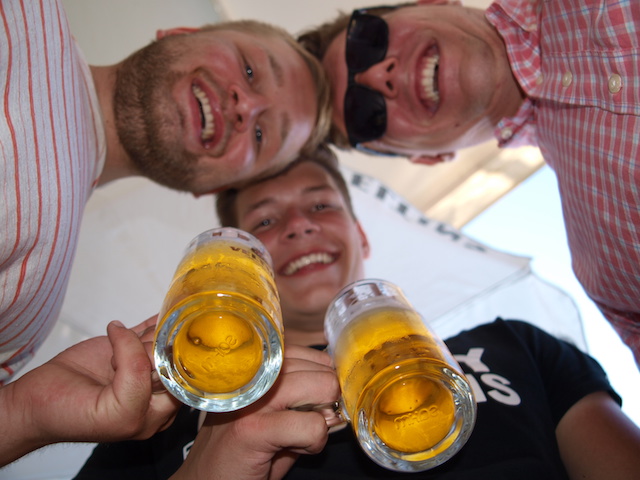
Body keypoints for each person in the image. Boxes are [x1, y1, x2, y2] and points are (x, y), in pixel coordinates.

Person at [75, 145, 640, 479]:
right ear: (247, 263)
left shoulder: (518, 344)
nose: (299, 225)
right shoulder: (158, 410)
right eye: (266, 221)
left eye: (321, 205)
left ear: (361, 234)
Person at [0, 0, 330, 466]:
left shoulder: (31, 305)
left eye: (261, 136)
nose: (246, 106)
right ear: (179, 33)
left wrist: (24, 414)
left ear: (212, 187)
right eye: (251, 70)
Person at [297, 0, 640, 367]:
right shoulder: (610, 269)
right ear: (429, 158)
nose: (381, 75)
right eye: (365, 113)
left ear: (433, 3)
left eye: (367, 42)